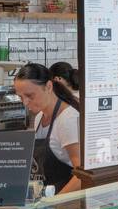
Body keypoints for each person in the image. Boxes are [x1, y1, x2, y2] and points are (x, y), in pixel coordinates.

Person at [13, 64, 82, 194]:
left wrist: (56, 203)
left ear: (48, 87)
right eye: (21, 97)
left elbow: (81, 175)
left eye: (30, 96)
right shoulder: (40, 117)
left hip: (66, 206)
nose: (25, 102)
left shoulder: (67, 120)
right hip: (45, 200)